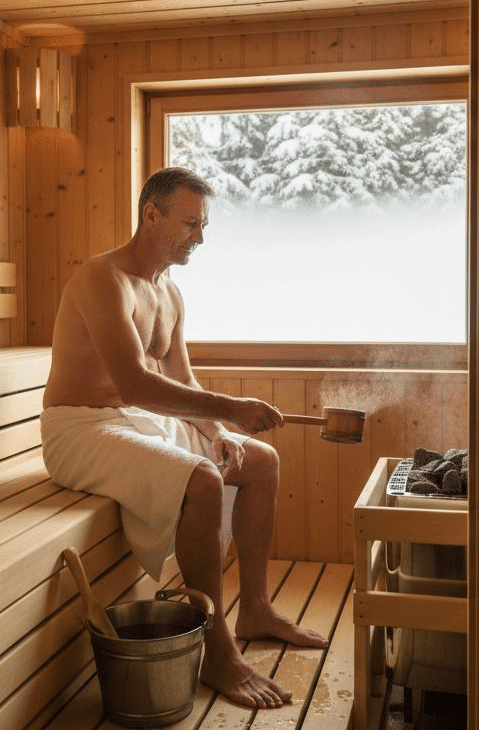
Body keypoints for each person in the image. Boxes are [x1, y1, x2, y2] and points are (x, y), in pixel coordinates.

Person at [40, 167, 328, 710]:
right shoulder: (102, 280)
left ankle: (257, 608)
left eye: (204, 225)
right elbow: (133, 383)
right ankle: (218, 651)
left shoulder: (168, 291)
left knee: (258, 460)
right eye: (191, 223)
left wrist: (219, 429)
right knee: (200, 479)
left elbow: (179, 382)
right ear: (152, 215)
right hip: (81, 426)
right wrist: (231, 408)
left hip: (135, 421)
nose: (200, 237)